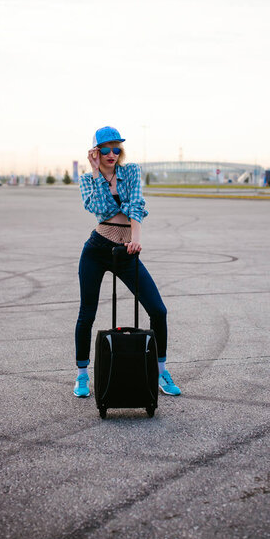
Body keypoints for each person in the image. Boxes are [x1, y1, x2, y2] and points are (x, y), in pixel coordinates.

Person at [74, 126, 181, 398]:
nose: (112, 153)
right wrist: (97, 172)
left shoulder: (131, 171)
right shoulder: (88, 178)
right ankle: (82, 375)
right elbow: (99, 208)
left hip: (128, 250)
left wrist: (135, 238)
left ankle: (161, 372)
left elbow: (135, 204)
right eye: (106, 149)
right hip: (97, 249)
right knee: (87, 314)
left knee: (158, 310)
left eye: (116, 148)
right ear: (96, 151)